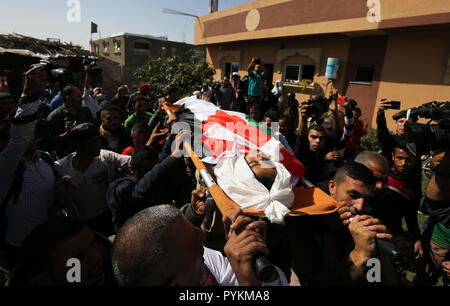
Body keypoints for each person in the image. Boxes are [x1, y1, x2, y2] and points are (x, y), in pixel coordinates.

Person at [111, 205, 288, 286]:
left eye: (195, 229)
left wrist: (252, 260)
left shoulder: (201, 261)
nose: (203, 236)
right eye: (195, 238)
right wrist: (247, 282)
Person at [287, 162, 399, 285]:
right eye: (353, 195)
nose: (360, 207)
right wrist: (360, 255)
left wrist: (382, 257)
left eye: (367, 200)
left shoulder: (367, 223)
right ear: (332, 188)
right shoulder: (306, 223)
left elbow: (379, 280)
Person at [54, 123, 131, 237]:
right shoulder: (61, 167)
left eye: (98, 140)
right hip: (81, 225)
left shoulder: (105, 157)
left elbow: (131, 162)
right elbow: (56, 200)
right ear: (78, 145)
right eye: (93, 142)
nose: (99, 144)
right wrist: (60, 186)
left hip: (107, 218)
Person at [106, 131, 187, 233]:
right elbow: (140, 189)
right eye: (147, 170)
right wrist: (175, 155)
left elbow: (162, 158)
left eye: (154, 169)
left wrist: (171, 136)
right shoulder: (119, 188)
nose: (151, 173)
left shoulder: (150, 170)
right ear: (131, 169)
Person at [16, 218, 116, 286]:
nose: (96, 257)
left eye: (93, 244)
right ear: (43, 280)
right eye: (78, 258)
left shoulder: (120, 266)